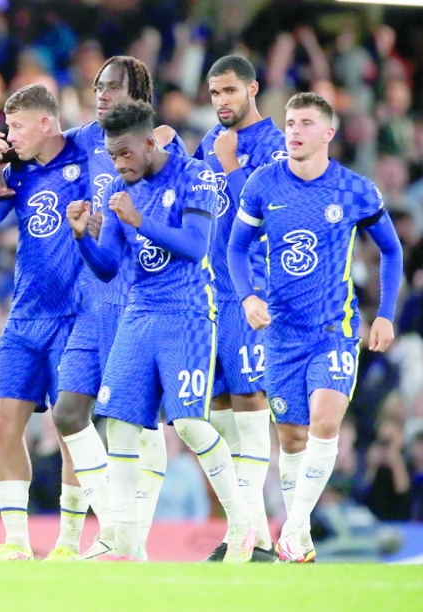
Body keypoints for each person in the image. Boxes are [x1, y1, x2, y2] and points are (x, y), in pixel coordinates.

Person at [70, 100, 254, 562]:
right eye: (113, 156)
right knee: (121, 426)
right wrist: (82, 240)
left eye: (126, 153)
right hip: (138, 312)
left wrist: (140, 222)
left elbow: (196, 246)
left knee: (190, 424)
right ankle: (129, 544)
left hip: (187, 313)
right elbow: (109, 267)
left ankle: (245, 524)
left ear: (150, 142)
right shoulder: (117, 187)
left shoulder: (194, 177)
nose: (119, 163)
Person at [227, 92, 403, 563]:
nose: (294, 130)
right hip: (280, 336)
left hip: (333, 331)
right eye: (289, 121)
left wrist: (384, 312)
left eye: (305, 122)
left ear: (328, 133)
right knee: (292, 439)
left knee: (326, 423)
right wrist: (247, 297)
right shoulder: (264, 184)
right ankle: (300, 541)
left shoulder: (354, 190)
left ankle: (294, 528)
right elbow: (236, 248)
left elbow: (391, 250)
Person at [51, 56, 186, 561]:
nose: (101, 93)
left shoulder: (164, 142)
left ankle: (132, 540)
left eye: (113, 86)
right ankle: (114, 527)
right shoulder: (89, 142)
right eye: (97, 86)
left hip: (141, 298)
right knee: (68, 413)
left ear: (140, 91)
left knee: (136, 423)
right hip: (94, 293)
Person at [0, 83, 88, 561]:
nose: (9, 135)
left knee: (68, 425)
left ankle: (70, 543)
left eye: (16, 126)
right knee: (2, 420)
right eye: (7, 124)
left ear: (46, 123)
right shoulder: (15, 173)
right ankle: (15, 540)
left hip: (75, 314)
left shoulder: (86, 154)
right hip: (26, 315)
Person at [192, 55, 287, 562]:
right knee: (221, 415)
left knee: (252, 408)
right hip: (212, 294)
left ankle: (252, 536)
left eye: (230, 91)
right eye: (214, 94)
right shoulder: (208, 143)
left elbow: (267, 219)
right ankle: (247, 533)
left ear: (252, 88)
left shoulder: (276, 146)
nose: (222, 102)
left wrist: (229, 166)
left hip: (252, 290)